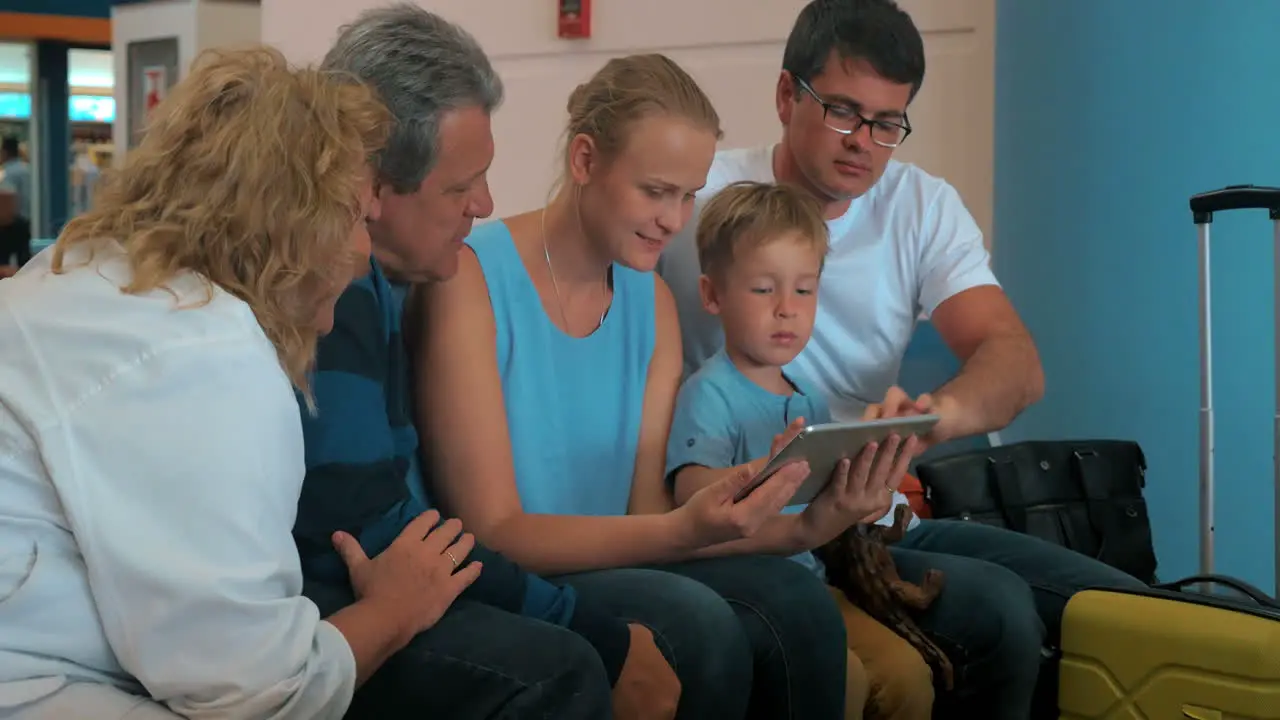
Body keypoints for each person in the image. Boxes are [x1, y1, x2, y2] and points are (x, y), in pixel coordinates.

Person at [656, 1, 1149, 718]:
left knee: (1129, 609)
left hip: (872, 519)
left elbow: (1013, 361)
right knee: (1001, 614)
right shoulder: (705, 203)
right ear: (787, 95)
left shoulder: (921, 206)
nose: (864, 142)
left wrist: (931, 417)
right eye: (843, 113)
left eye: (888, 123)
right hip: (772, 531)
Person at [415, 51, 920, 720]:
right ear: (586, 160)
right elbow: (495, 530)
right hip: (517, 579)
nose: (674, 220)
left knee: (795, 604)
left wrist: (812, 525)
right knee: (705, 626)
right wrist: (681, 531)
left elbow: (651, 515)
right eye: (655, 191)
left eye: (688, 195)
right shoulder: (470, 281)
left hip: (625, 562)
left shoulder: (651, 301)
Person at [0, 45, 477, 720]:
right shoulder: (206, 349)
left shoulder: (73, 273)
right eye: (354, 216)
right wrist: (396, 608)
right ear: (296, 221)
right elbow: (256, 695)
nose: (364, 249)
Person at [292, 5, 671, 718]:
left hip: (375, 575)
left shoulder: (379, 279)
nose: (485, 204)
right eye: (460, 186)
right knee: (565, 667)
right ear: (372, 184)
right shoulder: (332, 285)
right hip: (318, 598)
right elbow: (367, 525)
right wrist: (596, 633)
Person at [665, 179, 936, 720]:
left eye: (804, 290)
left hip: (815, 583)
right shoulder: (707, 393)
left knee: (911, 678)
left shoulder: (808, 400)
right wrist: (768, 470)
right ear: (713, 295)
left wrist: (871, 477)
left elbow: (828, 507)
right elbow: (691, 497)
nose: (787, 309)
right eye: (764, 290)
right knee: (847, 682)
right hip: (747, 588)